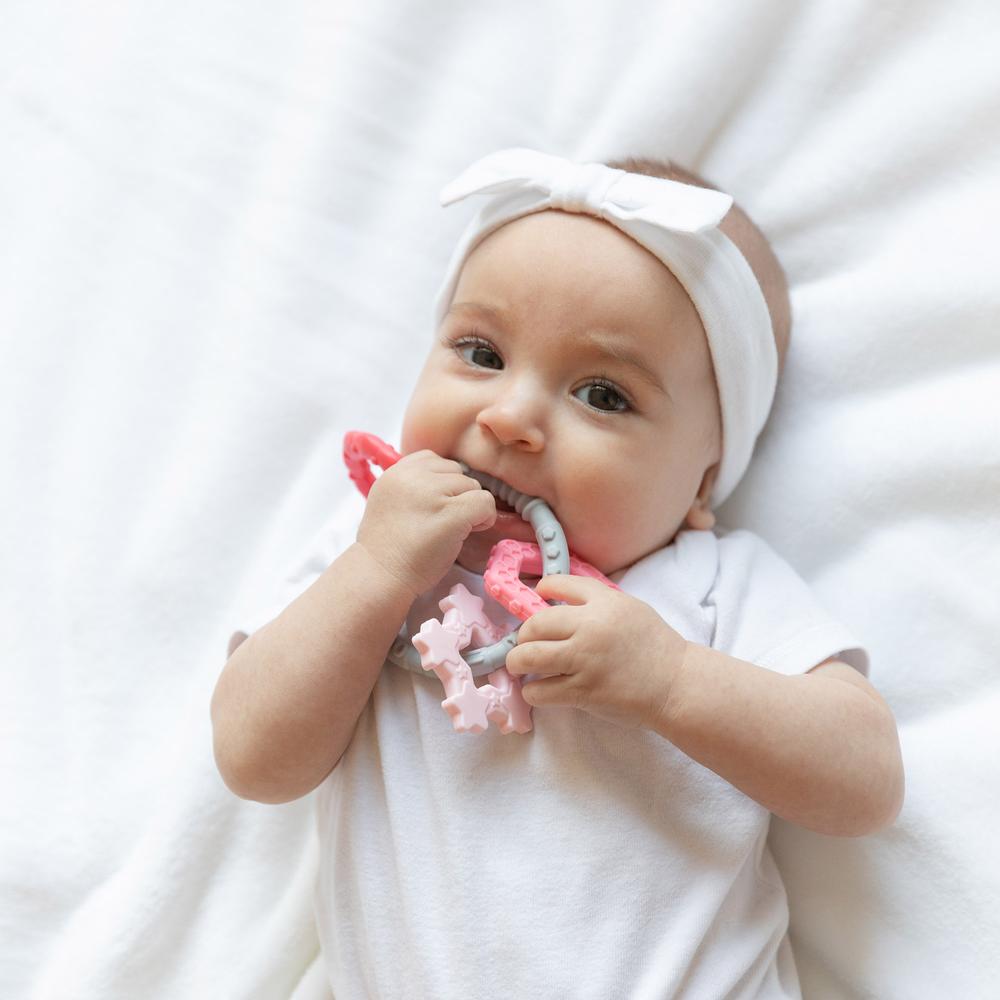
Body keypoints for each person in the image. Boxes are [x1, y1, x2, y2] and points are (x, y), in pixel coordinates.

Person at [210, 149, 905, 999]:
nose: (510, 417)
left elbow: (866, 782)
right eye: (480, 352)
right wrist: (377, 570)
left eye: (603, 395)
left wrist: (671, 680)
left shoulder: (713, 586)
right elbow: (252, 758)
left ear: (701, 484)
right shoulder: (372, 559)